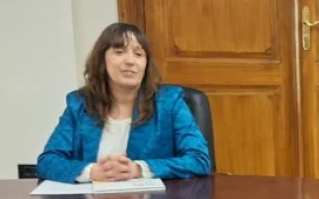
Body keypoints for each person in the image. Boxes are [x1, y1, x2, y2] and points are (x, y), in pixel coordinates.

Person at [37, 23, 211, 183]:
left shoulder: (169, 102)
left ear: (146, 64)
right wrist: (92, 172)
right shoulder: (80, 104)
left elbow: (199, 159)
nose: (130, 61)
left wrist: (139, 169)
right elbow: (47, 162)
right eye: (119, 52)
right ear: (102, 60)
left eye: (138, 54)